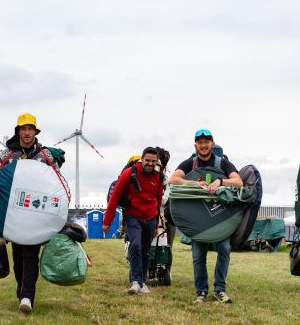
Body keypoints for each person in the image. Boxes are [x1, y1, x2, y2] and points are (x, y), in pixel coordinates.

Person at [0, 113, 63, 313]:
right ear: (17, 132)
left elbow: (57, 183)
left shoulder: (46, 155)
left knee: (31, 254)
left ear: (35, 131)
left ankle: (27, 296)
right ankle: (22, 289)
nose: (27, 133)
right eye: (23, 129)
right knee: (18, 256)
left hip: (37, 214)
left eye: (30, 129)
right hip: (14, 215)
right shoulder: (6, 155)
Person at [168, 129, 243, 304]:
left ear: (212, 144)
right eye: (200, 142)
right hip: (199, 219)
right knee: (198, 256)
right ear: (195, 145)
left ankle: (219, 290)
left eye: (206, 142)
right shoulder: (190, 164)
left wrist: (220, 182)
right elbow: (173, 180)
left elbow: (239, 181)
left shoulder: (223, 163)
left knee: (224, 250)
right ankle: (201, 292)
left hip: (220, 217)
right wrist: (194, 182)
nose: (203, 145)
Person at [103, 147, 163, 294]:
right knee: (135, 246)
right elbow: (114, 197)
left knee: (146, 250)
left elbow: (158, 199)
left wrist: (157, 222)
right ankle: (136, 282)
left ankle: (142, 282)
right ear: (141, 159)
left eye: (153, 161)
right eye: (147, 160)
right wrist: (107, 221)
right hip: (133, 216)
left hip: (150, 217)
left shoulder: (159, 177)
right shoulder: (128, 174)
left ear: (157, 162)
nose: (150, 163)